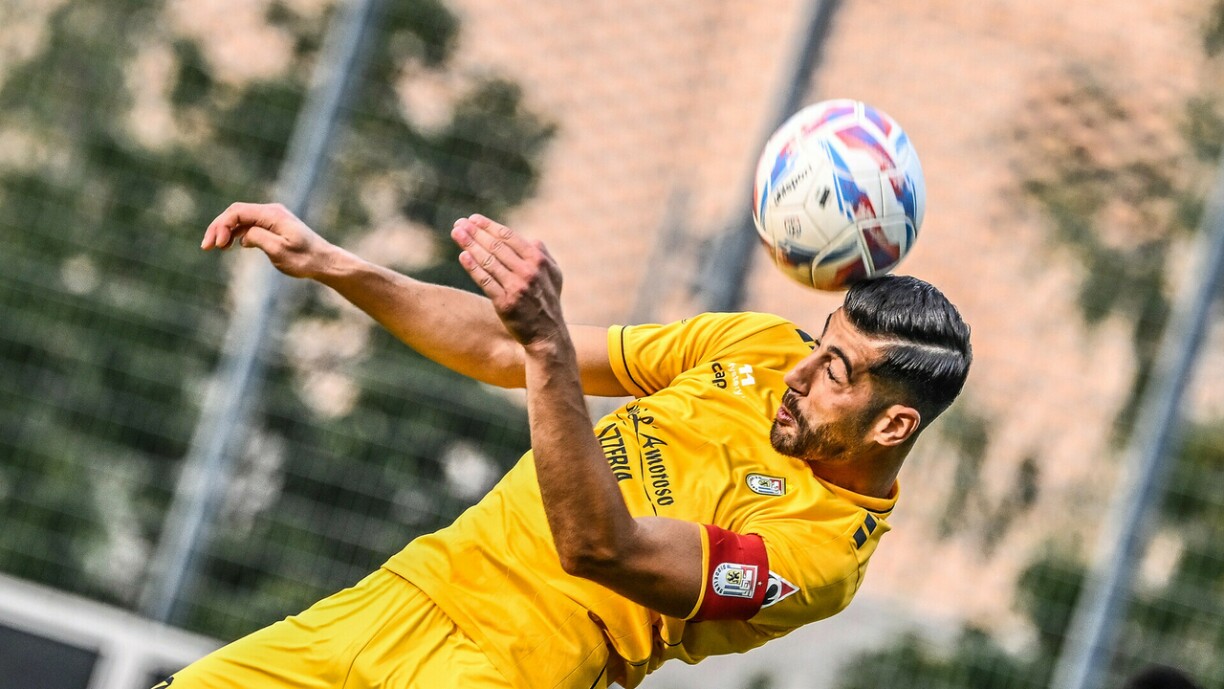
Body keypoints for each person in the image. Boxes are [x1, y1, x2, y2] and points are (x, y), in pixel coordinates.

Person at [160, 202, 972, 689]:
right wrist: (336, 265)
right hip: (406, 591)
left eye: (832, 369)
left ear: (892, 425)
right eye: (816, 342)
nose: (797, 371)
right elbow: (502, 349)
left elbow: (597, 545)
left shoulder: (818, 556)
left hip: (516, 668)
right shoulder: (754, 346)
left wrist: (547, 349)